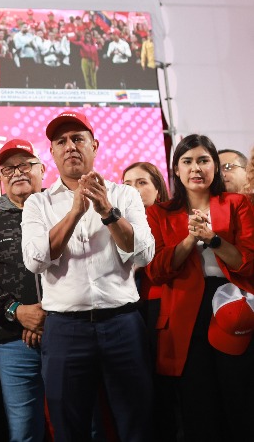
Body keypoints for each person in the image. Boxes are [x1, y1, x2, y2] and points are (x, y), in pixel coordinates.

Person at [21, 111, 155, 442]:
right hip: (66, 329)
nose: (70, 146)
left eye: (78, 139)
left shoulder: (123, 195)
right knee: (69, 429)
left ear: (94, 146)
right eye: (61, 141)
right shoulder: (38, 203)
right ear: (52, 153)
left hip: (122, 324)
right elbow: (35, 261)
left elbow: (143, 254)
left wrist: (107, 211)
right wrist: (75, 212)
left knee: (137, 424)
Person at [144, 134, 254, 441]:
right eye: (187, 161)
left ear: (215, 166)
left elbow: (249, 262)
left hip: (232, 305)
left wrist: (213, 239)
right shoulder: (159, 212)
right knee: (197, 402)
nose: (196, 168)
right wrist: (190, 239)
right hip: (184, 312)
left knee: (239, 397)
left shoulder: (237, 204)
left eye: (204, 160)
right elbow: (156, 270)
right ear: (176, 170)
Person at [0, 139, 47, 442]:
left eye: (25, 165)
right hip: (12, 341)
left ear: (42, 170)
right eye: (9, 168)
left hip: (67, 332)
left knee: (81, 424)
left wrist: (45, 317)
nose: (17, 172)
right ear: (1, 177)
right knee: (23, 431)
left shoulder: (62, 211)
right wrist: (17, 312)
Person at [121, 161, 174, 441]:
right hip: (125, 314)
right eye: (127, 184)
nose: (134, 190)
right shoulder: (114, 223)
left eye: (142, 183)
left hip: (161, 307)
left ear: (158, 189)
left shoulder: (167, 219)